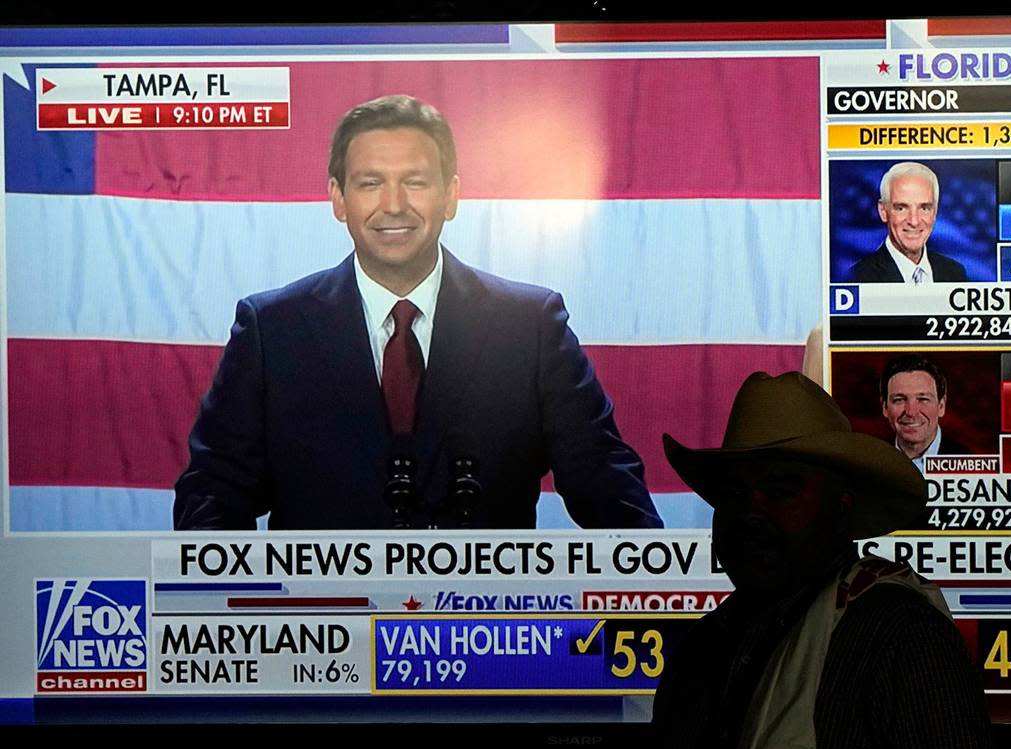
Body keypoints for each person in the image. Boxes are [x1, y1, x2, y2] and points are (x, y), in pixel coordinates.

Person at [173, 95, 661, 530]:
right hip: (322, 625)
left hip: (487, 624)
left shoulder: (529, 325)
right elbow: (214, 493)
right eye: (370, 184)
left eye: (415, 182)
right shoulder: (271, 329)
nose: (394, 205)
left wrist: (658, 594)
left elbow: (604, 482)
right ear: (338, 199)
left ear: (450, 196)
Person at [652, 371, 992, 749]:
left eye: (782, 489)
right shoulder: (706, 644)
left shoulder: (900, 637)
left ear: (840, 507)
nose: (749, 511)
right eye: (732, 492)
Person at [850, 161, 967, 284]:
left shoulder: (955, 273)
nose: (914, 221)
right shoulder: (858, 278)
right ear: (883, 211)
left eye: (924, 208)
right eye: (901, 208)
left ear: (935, 212)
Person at [880, 352, 966, 468]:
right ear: (885, 407)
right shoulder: (870, 462)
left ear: (941, 405)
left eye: (923, 399)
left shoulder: (970, 461)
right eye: (899, 400)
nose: (911, 412)